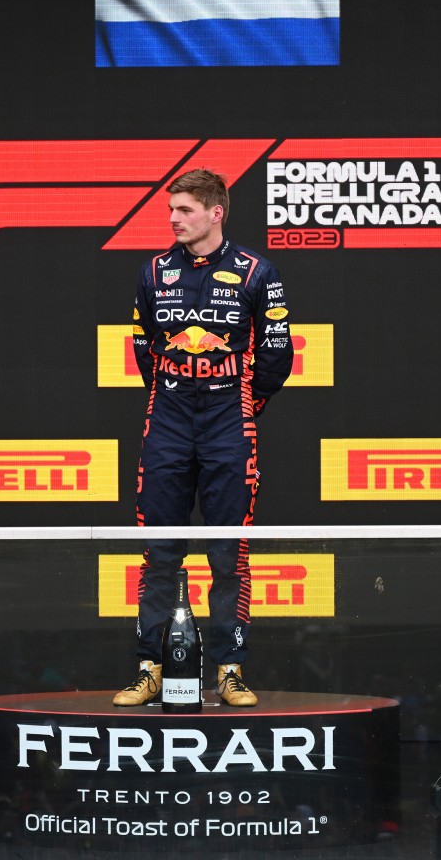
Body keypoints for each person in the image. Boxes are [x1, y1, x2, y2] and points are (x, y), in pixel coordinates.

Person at [113, 169, 293, 709]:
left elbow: (277, 356)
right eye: (171, 210)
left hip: (226, 418)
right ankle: (149, 667)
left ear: (217, 212)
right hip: (167, 416)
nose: (173, 218)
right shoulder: (152, 271)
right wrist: (174, 391)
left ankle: (229, 670)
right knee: (158, 551)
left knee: (228, 552)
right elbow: (144, 345)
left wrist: (236, 402)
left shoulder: (257, 272)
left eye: (185, 209)